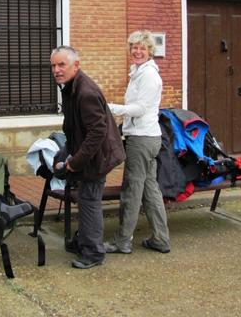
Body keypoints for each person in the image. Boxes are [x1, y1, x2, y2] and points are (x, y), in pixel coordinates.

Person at [50, 45, 125, 269]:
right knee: (85, 198)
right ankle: (84, 241)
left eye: (62, 64)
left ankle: (93, 253)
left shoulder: (86, 92)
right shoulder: (71, 87)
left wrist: (74, 162)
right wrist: (63, 154)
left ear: (76, 65)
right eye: (53, 65)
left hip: (98, 157)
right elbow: (74, 128)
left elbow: (97, 133)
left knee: (89, 200)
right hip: (89, 153)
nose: (56, 70)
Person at [104, 30, 170, 254]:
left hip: (142, 139)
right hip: (147, 137)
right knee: (150, 189)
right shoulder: (139, 73)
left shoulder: (149, 76)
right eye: (134, 47)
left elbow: (141, 109)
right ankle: (160, 239)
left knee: (132, 190)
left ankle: (122, 241)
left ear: (150, 51)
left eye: (142, 48)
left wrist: (112, 108)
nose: (137, 51)